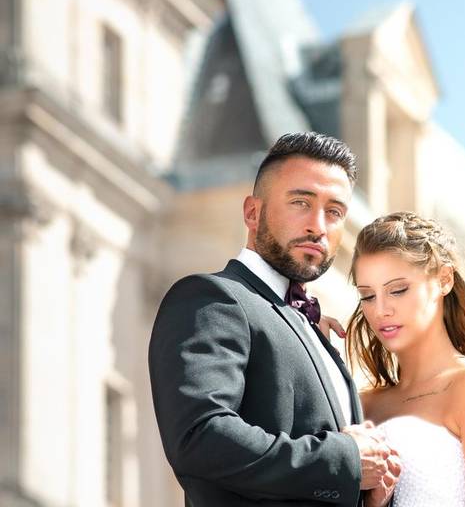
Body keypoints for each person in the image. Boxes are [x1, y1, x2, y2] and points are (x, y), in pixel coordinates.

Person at [149, 133, 401, 507]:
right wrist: (345, 461)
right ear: (252, 212)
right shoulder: (212, 299)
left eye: (334, 212)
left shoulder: (315, 327)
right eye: (301, 202)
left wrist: (369, 492)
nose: (319, 225)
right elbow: (200, 437)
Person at [346, 212, 465, 507]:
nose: (381, 310)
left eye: (398, 290)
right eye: (368, 296)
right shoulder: (362, 404)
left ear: (444, 279)